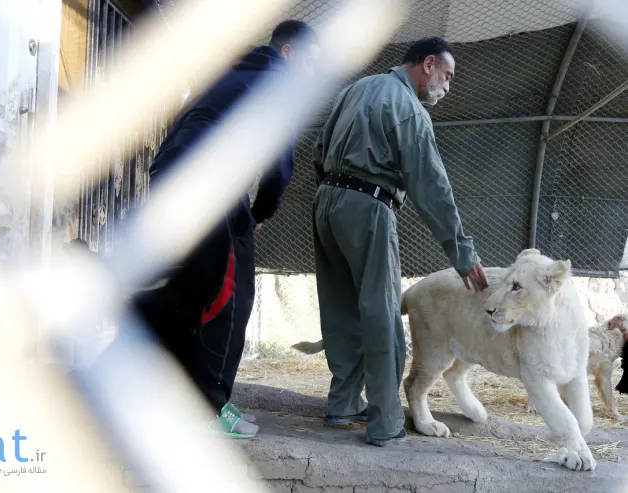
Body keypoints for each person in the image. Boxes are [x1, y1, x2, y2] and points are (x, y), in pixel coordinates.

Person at [131, 20, 321, 439]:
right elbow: (279, 165)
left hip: (178, 173)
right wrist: (260, 211)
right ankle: (207, 409)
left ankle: (134, 323)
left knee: (194, 288)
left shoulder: (237, 74)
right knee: (230, 292)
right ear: (289, 53)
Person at [311, 36, 489, 446]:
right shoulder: (409, 109)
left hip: (327, 203)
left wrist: (337, 193)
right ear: (428, 64)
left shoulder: (355, 88)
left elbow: (320, 151)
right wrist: (462, 253)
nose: (447, 86)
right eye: (447, 75)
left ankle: (342, 405)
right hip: (368, 205)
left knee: (340, 307)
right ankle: (385, 420)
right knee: (382, 312)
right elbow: (432, 188)